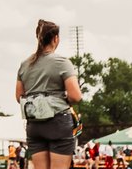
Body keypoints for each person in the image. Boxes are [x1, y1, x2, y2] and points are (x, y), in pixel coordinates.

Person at [15, 21, 82, 169]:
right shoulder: (62, 62)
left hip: (34, 125)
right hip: (58, 122)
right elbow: (76, 96)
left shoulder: (25, 64)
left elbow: (19, 96)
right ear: (55, 38)